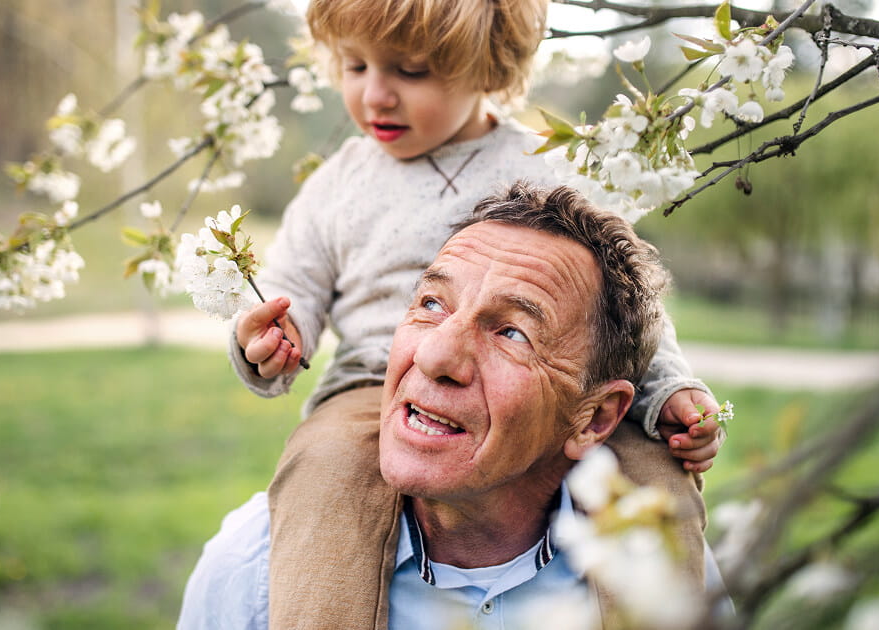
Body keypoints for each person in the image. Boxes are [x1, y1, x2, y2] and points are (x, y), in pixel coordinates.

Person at [228, 1, 725, 626]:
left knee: (657, 476)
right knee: (325, 473)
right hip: (372, 387)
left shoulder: (552, 165)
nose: (375, 95)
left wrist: (670, 389)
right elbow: (288, 286)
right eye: (355, 66)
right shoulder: (339, 184)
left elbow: (624, 310)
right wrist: (271, 336)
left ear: (487, 67)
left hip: (541, 387)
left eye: (409, 72)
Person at [183, 183, 711, 628]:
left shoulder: (665, 575)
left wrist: (672, 391)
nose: (435, 355)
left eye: (513, 333)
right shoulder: (254, 568)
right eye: (431, 304)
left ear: (595, 418)